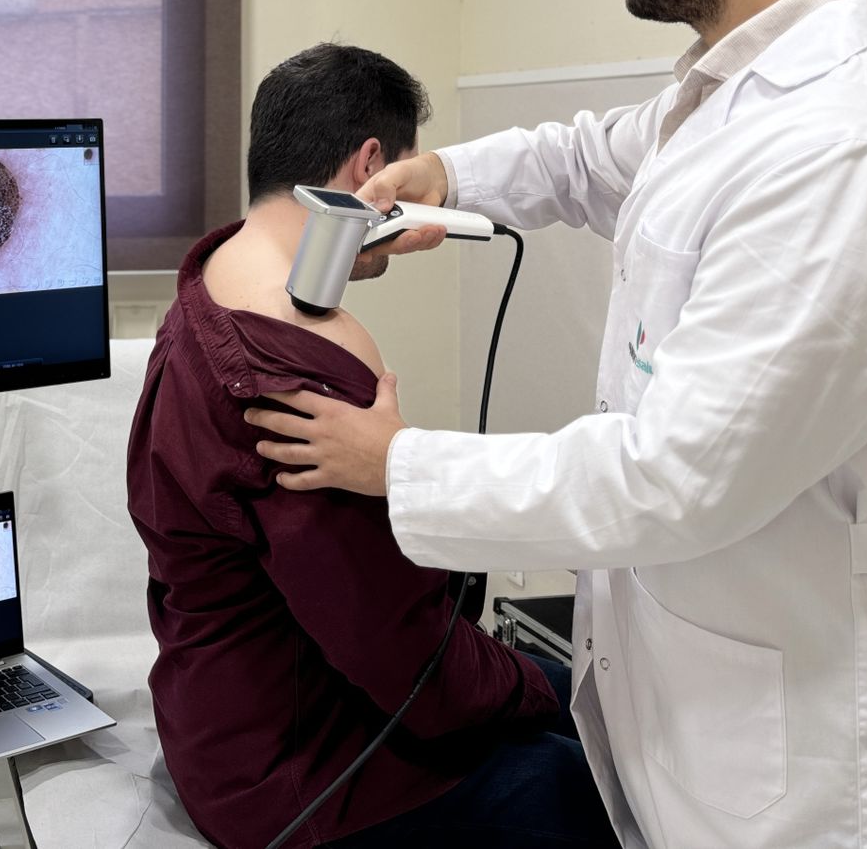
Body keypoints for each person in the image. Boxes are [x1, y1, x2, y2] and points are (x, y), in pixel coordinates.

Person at [245, 0, 867, 849]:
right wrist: (442, 174)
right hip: (703, 716)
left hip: (821, 778)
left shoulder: (842, 154)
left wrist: (395, 463)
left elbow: (669, 479)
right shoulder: (737, 82)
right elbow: (596, 156)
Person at [127, 42, 618, 849]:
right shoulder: (306, 364)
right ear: (371, 167)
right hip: (298, 778)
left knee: (585, 704)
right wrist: (530, 685)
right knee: (582, 759)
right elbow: (407, 661)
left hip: (218, 731)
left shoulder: (209, 284)